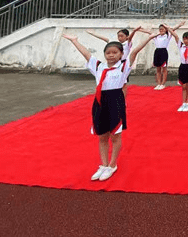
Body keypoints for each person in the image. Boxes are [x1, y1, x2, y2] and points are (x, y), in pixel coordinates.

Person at [62, 32, 153, 181]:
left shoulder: (123, 67)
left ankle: (112, 165)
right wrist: (74, 41)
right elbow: (86, 54)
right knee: (102, 135)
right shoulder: (98, 66)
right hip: (100, 102)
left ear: (121, 54)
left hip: (115, 101)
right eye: (108, 53)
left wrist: (148, 39)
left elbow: (135, 51)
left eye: (115, 52)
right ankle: (103, 165)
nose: (111, 55)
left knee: (115, 135)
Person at [86, 26, 142, 96]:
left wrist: (134, 31)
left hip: (123, 65)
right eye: (118, 36)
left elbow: (130, 38)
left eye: (122, 36)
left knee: (123, 85)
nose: (120, 38)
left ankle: (123, 100)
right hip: (114, 63)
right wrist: (93, 33)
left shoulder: (127, 44)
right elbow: (105, 39)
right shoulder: (115, 44)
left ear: (126, 36)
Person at [142, 22, 184, 90]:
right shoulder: (156, 36)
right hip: (157, 52)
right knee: (158, 69)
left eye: (163, 29)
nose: (161, 31)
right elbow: (148, 32)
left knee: (164, 69)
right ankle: (158, 83)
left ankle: (163, 84)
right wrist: (139, 30)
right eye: (160, 29)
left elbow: (173, 29)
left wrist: (179, 25)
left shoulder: (168, 35)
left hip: (163, 52)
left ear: (165, 30)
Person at [168, 26, 188, 112]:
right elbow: (175, 36)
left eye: (187, 39)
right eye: (184, 39)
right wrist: (169, 28)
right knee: (184, 86)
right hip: (183, 67)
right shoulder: (181, 45)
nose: (186, 41)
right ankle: (183, 103)